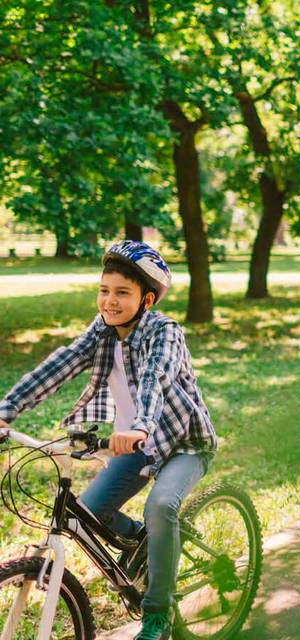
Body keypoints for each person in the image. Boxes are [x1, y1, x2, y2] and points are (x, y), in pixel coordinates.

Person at [0, 240, 216, 640]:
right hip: (136, 444)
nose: (110, 301)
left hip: (183, 442)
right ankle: (149, 544)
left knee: (162, 504)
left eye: (122, 293)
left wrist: (140, 427)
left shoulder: (164, 332)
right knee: (92, 512)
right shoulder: (101, 331)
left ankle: (157, 615)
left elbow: (156, 378)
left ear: (146, 299)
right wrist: (6, 410)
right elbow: (60, 365)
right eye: (104, 290)